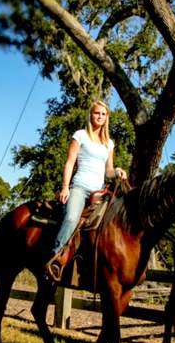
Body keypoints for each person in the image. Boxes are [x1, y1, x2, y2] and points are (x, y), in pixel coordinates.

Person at [46, 100, 127, 280]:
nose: (100, 116)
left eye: (103, 114)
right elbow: (70, 162)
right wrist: (65, 187)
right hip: (80, 187)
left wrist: (117, 171)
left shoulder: (109, 143)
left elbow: (108, 170)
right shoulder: (80, 135)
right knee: (72, 218)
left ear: (107, 118)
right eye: (97, 113)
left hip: (99, 193)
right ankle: (55, 258)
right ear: (90, 115)